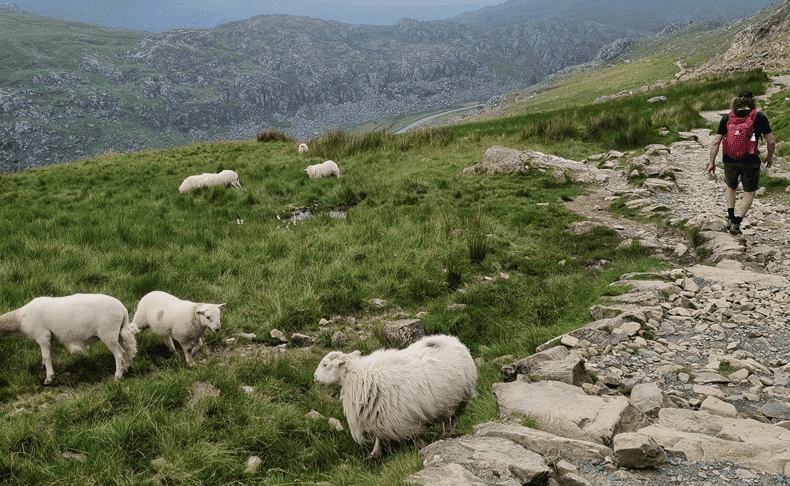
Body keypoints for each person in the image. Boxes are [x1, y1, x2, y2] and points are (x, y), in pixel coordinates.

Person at [707, 89, 776, 235]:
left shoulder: (727, 118)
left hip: (729, 159)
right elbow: (771, 142)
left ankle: (730, 218)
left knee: (731, 187)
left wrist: (711, 162)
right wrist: (769, 157)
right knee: (749, 191)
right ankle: (737, 223)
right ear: (752, 102)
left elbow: (716, 142)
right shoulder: (760, 117)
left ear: (736, 102)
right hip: (750, 159)